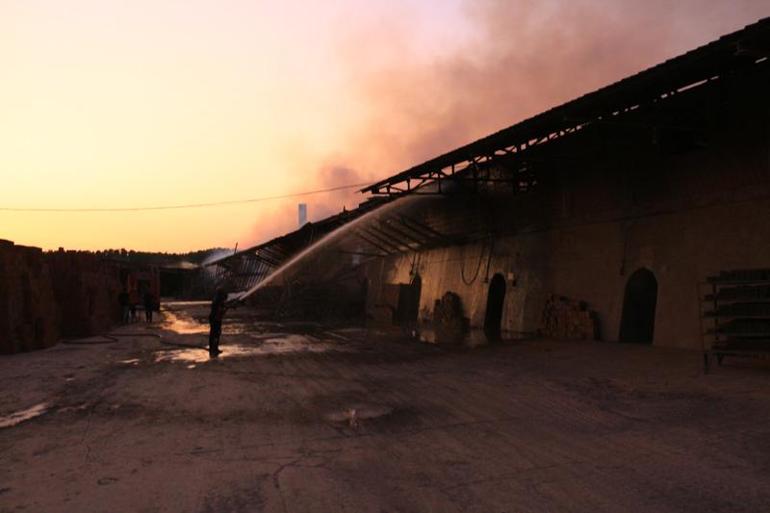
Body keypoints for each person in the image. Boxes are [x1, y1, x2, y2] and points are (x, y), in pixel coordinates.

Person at [208, 288, 229, 358]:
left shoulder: (217, 300)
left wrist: (225, 308)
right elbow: (220, 311)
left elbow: (222, 310)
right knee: (215, 334)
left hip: (215, 319)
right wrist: (225, 308)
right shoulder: (217, 302)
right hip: (215, 319)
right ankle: (213, 349)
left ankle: (214, 349)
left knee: (215, 334)